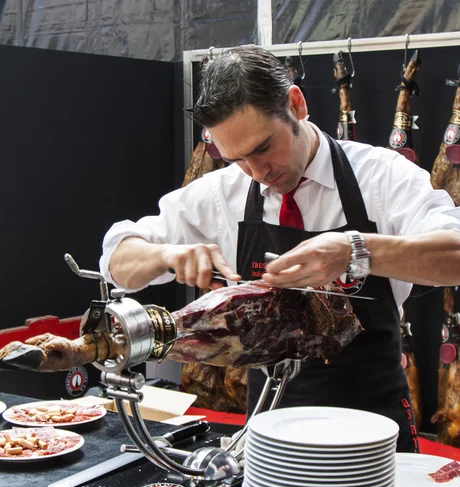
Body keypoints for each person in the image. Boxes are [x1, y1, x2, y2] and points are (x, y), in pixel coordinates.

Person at [100, 44, 460, 453]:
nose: (258, 173)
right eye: (237, 159)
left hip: (373, 435)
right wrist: (165, 255)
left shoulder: (381, 176)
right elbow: (117, 261)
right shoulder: (224, 193)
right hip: (270, 440)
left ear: (296, 103)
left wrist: (354, 249)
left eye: (262, 148)